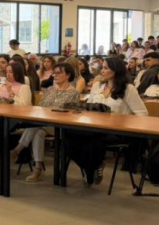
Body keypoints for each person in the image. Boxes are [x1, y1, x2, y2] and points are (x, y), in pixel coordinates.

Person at [69, 58, 147, 187]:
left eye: (106, 68)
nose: (102, 71)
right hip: (95, 127)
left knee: (92, 142)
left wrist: (123, 120)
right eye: (102, 67)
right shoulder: (97, 85)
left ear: (116, 70)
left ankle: (92, 168)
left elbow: (142, 114)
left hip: (116, 131)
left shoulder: (128, 89)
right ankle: (90, 167)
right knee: (69, 135)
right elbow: (90, 106)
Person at [9, 63, 79, 182]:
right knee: (38, 131)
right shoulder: (50, 90)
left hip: (60, 125)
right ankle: (37, 168)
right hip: (44, 123)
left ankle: (17, 150)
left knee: (36, 126)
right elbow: (41, 107)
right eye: (54, 73)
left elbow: (71, 113)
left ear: (68, 75)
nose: (55, 75)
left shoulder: (74, 93)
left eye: (58, 73)